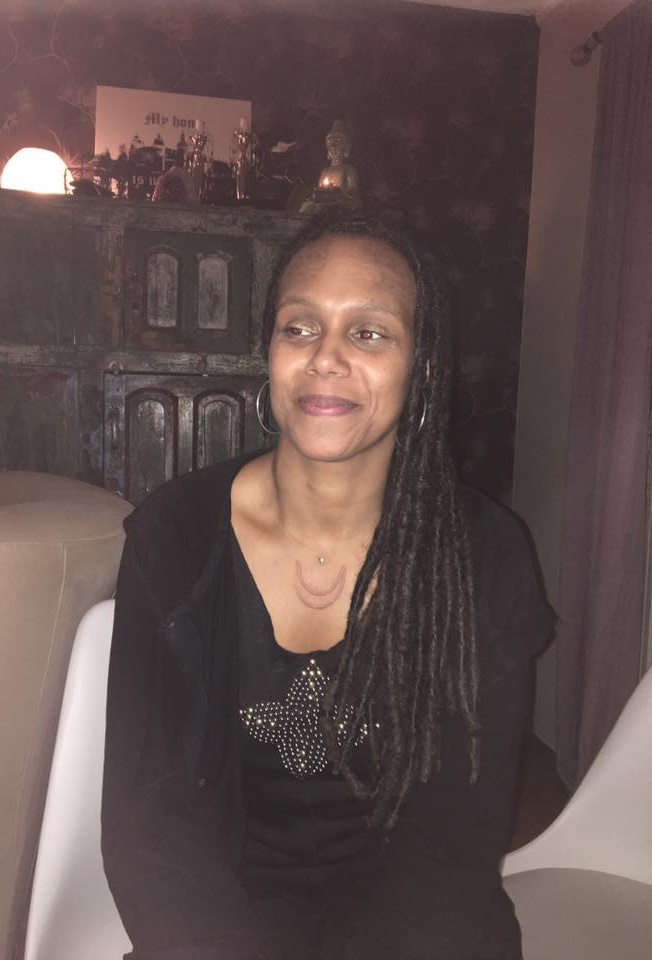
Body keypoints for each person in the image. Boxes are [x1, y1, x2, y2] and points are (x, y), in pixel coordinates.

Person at [101, 211, 554, 960]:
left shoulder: (484, 556)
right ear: (269, 354)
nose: (325, 358)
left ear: (423, 367)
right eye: (300, 328)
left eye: (369, 333)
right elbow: (149, 819)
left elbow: (455, 848)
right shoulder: (174, 536)